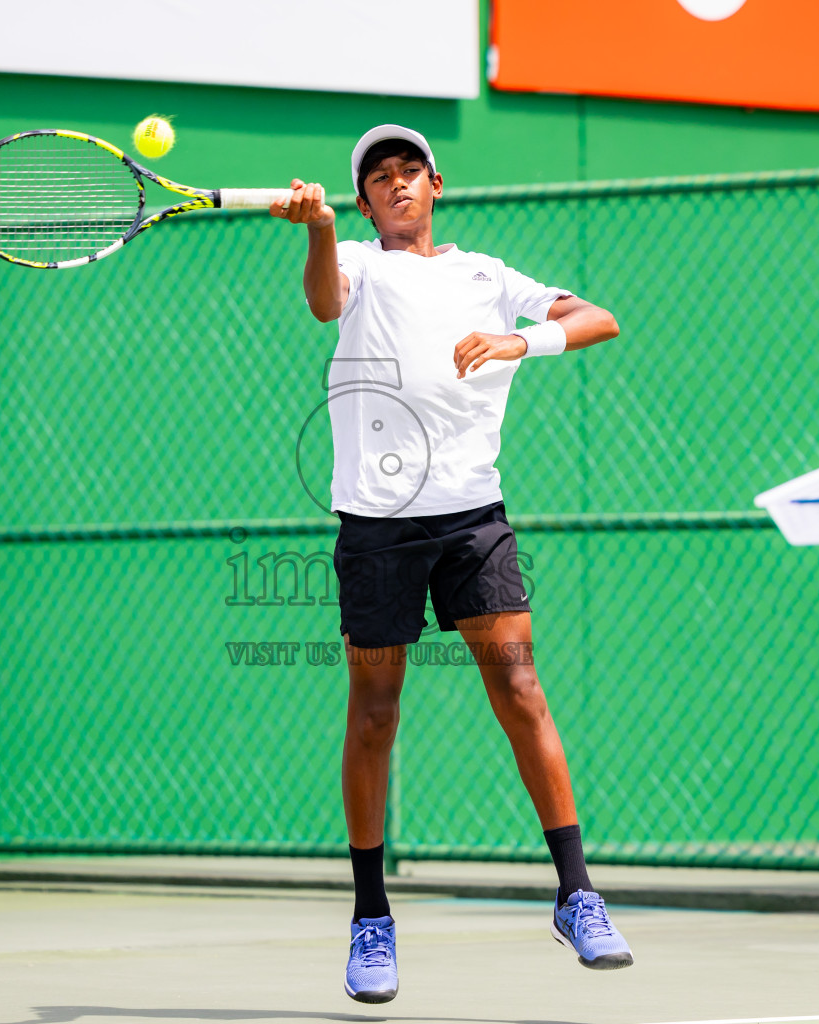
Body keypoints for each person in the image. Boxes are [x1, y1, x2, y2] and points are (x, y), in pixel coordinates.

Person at [270, 124, 630, 1004]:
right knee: (374, 716)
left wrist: (521, 340)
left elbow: (598, 319)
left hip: (474, 518)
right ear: (362, 203)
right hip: (378, 526)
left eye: (408, 173)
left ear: (436, 183)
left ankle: (577, 894)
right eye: (378, 180)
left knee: (520, 690)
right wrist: (317, 229)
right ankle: (370, 916)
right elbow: (324, 302)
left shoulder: (489, 277)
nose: (395, 186)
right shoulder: (356, 261)